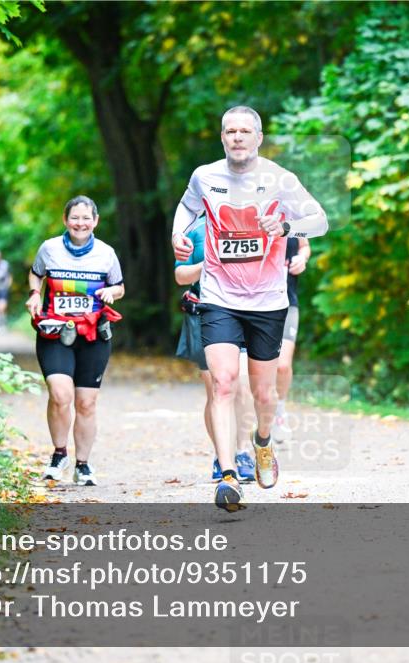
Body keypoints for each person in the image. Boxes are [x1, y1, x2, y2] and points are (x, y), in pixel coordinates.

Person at [171, 105, 328, 511]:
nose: (237, 137)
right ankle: (226, 477)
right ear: (222, 137)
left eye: (244, 131)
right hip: (219, 296)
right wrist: (178, 235)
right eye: (230, 131)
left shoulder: (280, 179)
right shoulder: (204, 176)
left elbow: (320, 219)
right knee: (222, 383)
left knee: (263, 392)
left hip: (268, 300)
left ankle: (262, 441)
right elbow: (188, 207)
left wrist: (288, 227)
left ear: (258, 138)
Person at [26, 196, 124, 487]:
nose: (80, 223)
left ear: (95, 221)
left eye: (86, 218)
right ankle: (59, 455)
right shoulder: (50, 249)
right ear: (65, 220)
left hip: (93, 335)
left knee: (86, 403)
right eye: (75, 218)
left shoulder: (106, 253)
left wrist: (112, 294)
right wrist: (34, 294)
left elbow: (118, 285)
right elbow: (36, 274)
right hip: (56, 332)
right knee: (60, 394)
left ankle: (83, 465)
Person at [174, 213, 257, 483]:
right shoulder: (192, 229)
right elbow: (180, 275)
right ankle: (222, 457)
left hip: (243, 311)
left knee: (242, 385)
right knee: (216, 389)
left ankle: (243, 451)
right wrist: (206, 265)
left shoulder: (245, 222)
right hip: (204, 314)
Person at [271, 236, 311, 443]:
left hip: (288, 302)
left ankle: (279, 411)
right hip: (257, 304)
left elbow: (305, 246)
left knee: (282, 366)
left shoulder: (295, 215)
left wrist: (301, 258)